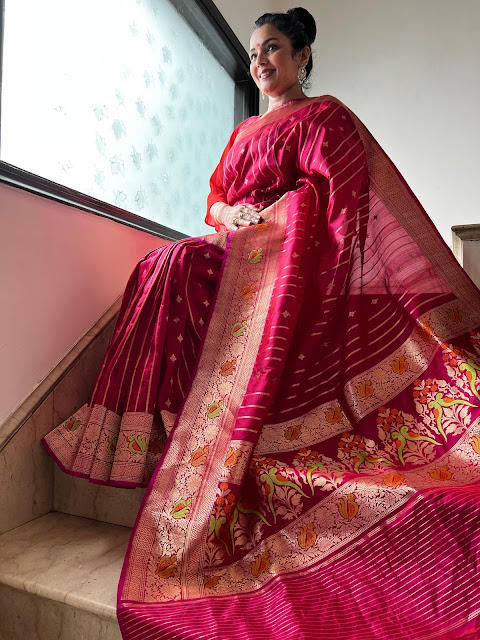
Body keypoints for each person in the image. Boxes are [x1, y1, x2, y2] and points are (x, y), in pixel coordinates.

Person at [43, 8, 480, 639]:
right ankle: (170, 424)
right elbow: (216, 198)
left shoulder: (323, 117)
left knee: (181, 261)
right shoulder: (245, 131)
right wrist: (232, 215)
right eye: (252, 53)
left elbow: (344, 204)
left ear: (303, 55)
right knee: (162, 263)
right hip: (238, 249)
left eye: (272, 48)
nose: (259, 63)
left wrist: (284, 218)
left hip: (288, 260)